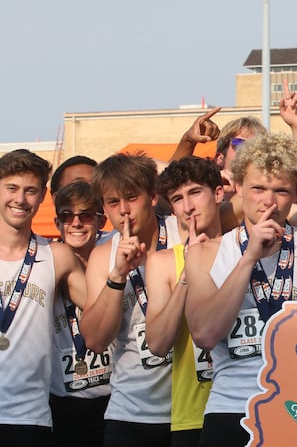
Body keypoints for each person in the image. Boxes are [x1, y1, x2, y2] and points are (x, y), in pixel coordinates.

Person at [184, 132, 297, 446]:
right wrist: (248, 258)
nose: (268, 201)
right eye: (258, 188)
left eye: (281, 190)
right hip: (230, 409)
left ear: (296, 193)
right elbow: (204, 334)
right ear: (238, 187)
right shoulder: (205, 255)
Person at [82, 152, 181, 447]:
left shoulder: (183, 231)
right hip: (131, 412)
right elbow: (95, 340)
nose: (124, 210)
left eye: (131, 197)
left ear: (152, 196)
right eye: (113, 202)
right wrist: (118, 274)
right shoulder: (102, 256)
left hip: (190, 405)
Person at [0, 149, 87, 446]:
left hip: (31, 418)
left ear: (42, 196)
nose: (20, 200)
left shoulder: (57, 256)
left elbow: (99, 309)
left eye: (30, 191)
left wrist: (118, 271)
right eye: (11, 188)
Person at [145, 157, 225, 446]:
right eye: (177, 199)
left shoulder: (246, 249)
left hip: (247, 405)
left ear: (218, 193)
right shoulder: (163, 263)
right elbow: (157, 344)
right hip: (191, 416)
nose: (187, 206)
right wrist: (187, 273)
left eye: (194, 193)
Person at [49, 181, 111, 447]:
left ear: (101, 221)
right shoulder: (44, 260)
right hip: (63, 403)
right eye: (67, 215)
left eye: (86, 215)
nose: (76, 223)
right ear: (56, 222)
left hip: (115, 398)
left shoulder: (117, 256)